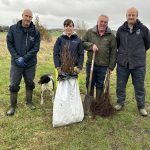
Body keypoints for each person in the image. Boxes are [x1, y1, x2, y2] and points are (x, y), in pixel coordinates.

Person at [114, 7, 150, 116]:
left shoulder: (143, 29)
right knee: (120, 85)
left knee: (139, 86)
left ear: (137, 16)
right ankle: (120, 102)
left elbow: (147, 45)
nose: (131, 17)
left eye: (133, 15)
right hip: (123, 64)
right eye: (129, 15)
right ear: (126, 16)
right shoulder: (121, 29)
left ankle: (141, 106)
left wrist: (137, 53)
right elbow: (117, 44)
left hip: (138, 64)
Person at [6, 9, 40, 116]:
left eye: (30, 17)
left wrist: (24, 58)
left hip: (30, 63)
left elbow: (36, 48)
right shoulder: (13, 29)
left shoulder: (35, 32)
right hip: (16, 63)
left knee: (30, 83)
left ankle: (29, 102)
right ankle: (12, 106)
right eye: (26, 16)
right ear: (22, 16)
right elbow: (10, 44)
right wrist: (16, 58)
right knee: (14, 84)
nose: (28, 19)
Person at [82, 15, 117, 100]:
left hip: (103, 65)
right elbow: (82, 43)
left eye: (105, 22)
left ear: (107, 23)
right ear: (97, 21)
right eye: (101, 21)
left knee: (100, 84)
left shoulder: (111, 36)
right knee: (89, 82)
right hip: (91, 63)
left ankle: (98, 103)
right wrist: (91, 46)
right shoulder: (89, 32)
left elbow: (113, 52)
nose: (103, 23)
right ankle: (89, 101)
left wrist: (111, 67)